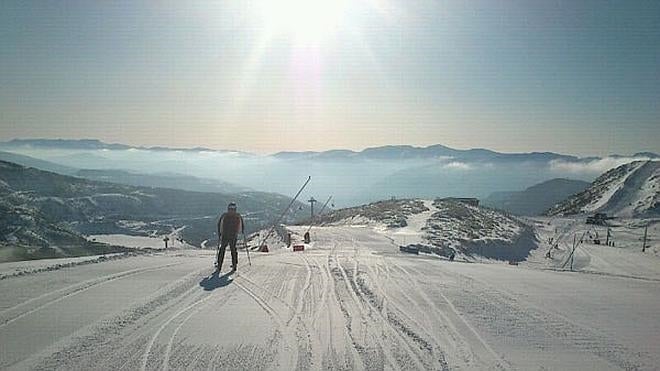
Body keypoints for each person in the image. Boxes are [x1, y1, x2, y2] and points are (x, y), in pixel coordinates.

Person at [216, 202, 244, 272]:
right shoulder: (238, 216)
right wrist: (240, 232)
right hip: (233, 236)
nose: (231, 210)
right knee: (233, 250)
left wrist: (220, 233)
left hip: (225, 235)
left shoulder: (224, 216)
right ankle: (234, 265)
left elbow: (220, 225)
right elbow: (241, 226)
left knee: (222, 250)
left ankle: (219, 265)